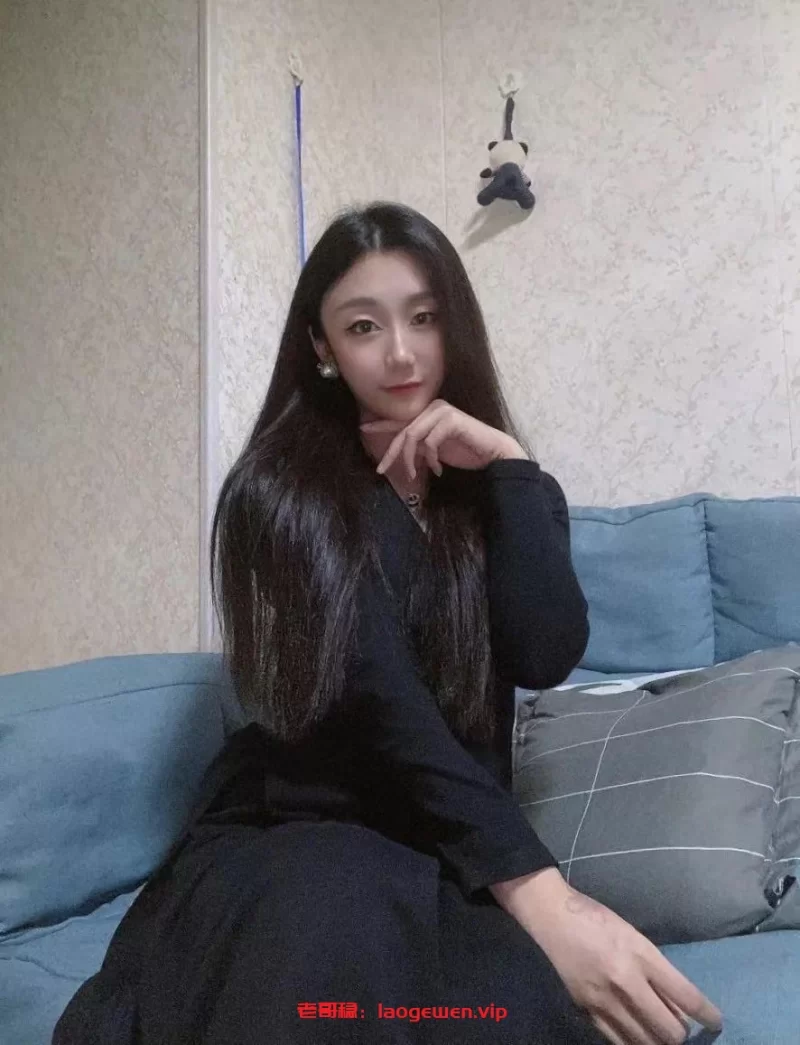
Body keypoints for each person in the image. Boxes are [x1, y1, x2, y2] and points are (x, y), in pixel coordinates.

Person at [52, 203, 724, 1045]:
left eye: (424, 317)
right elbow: (382, 704)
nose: (401, 352)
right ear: (323, 347)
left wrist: (514, 469)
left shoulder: (499, 489)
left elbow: (545, 651)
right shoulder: (281, 490)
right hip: (302, 832)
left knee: (513, 1014)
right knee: (329, 964)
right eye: (364, 326)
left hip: (443, 849)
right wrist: (543, 894)